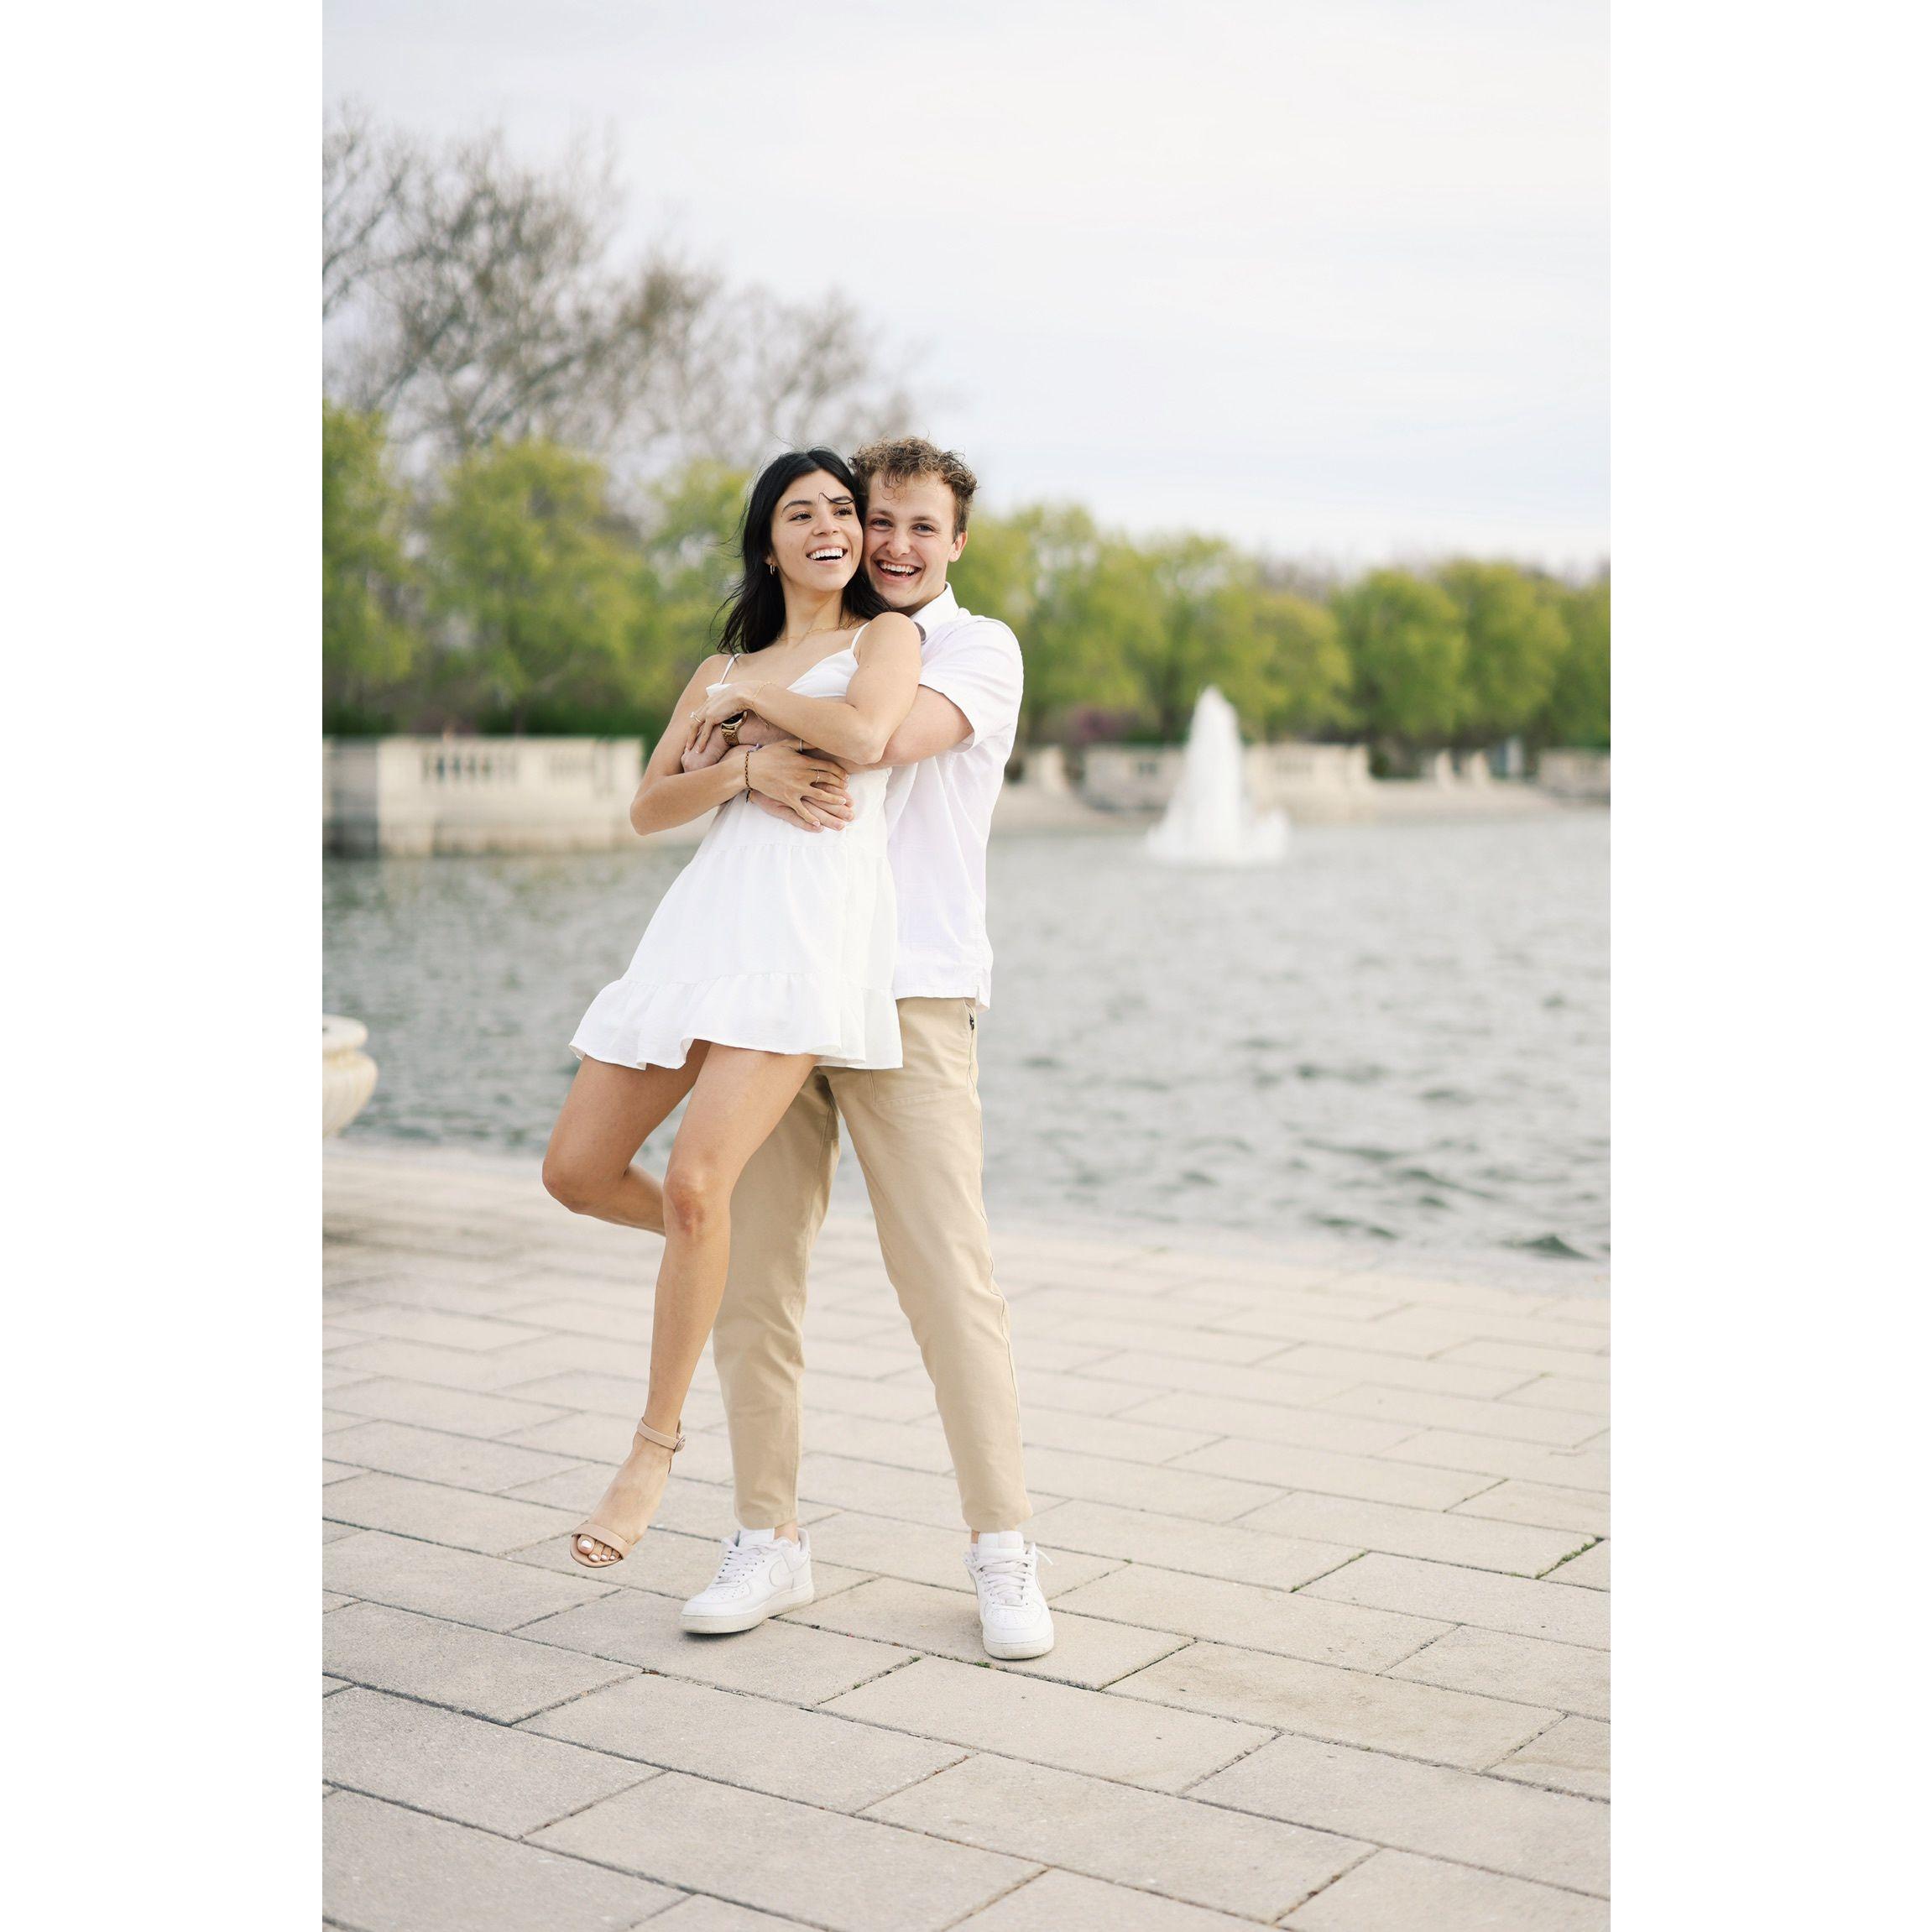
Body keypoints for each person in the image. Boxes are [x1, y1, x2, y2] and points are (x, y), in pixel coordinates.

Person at [676, 437, 1054, 1661]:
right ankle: (767, 1536)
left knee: (948, 1277)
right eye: (876, 519)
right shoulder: (796, 650)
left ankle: (1003, 1547)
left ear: (956, 542)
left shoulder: (976, 648)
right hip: (782, 988)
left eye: (919, 527)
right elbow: (692, 783)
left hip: (910, 994)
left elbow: (875, 739)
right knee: (752, 1277)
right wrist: (743, 736)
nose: (892, 544)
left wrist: (739, 705)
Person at [541, 446, 923, 1572]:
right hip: (701, 930)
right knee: (576, 1170)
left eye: (844, 509)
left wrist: (751, 711)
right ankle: (712, 1248)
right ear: (767, 542)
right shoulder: (723, 663)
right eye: (801, 513)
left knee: (698, 1181)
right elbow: (650, 806)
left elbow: (864, 737)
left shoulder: (883, 641)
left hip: (801, 939)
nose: (831, 527)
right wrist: (745, 770)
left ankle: (651, 1449)